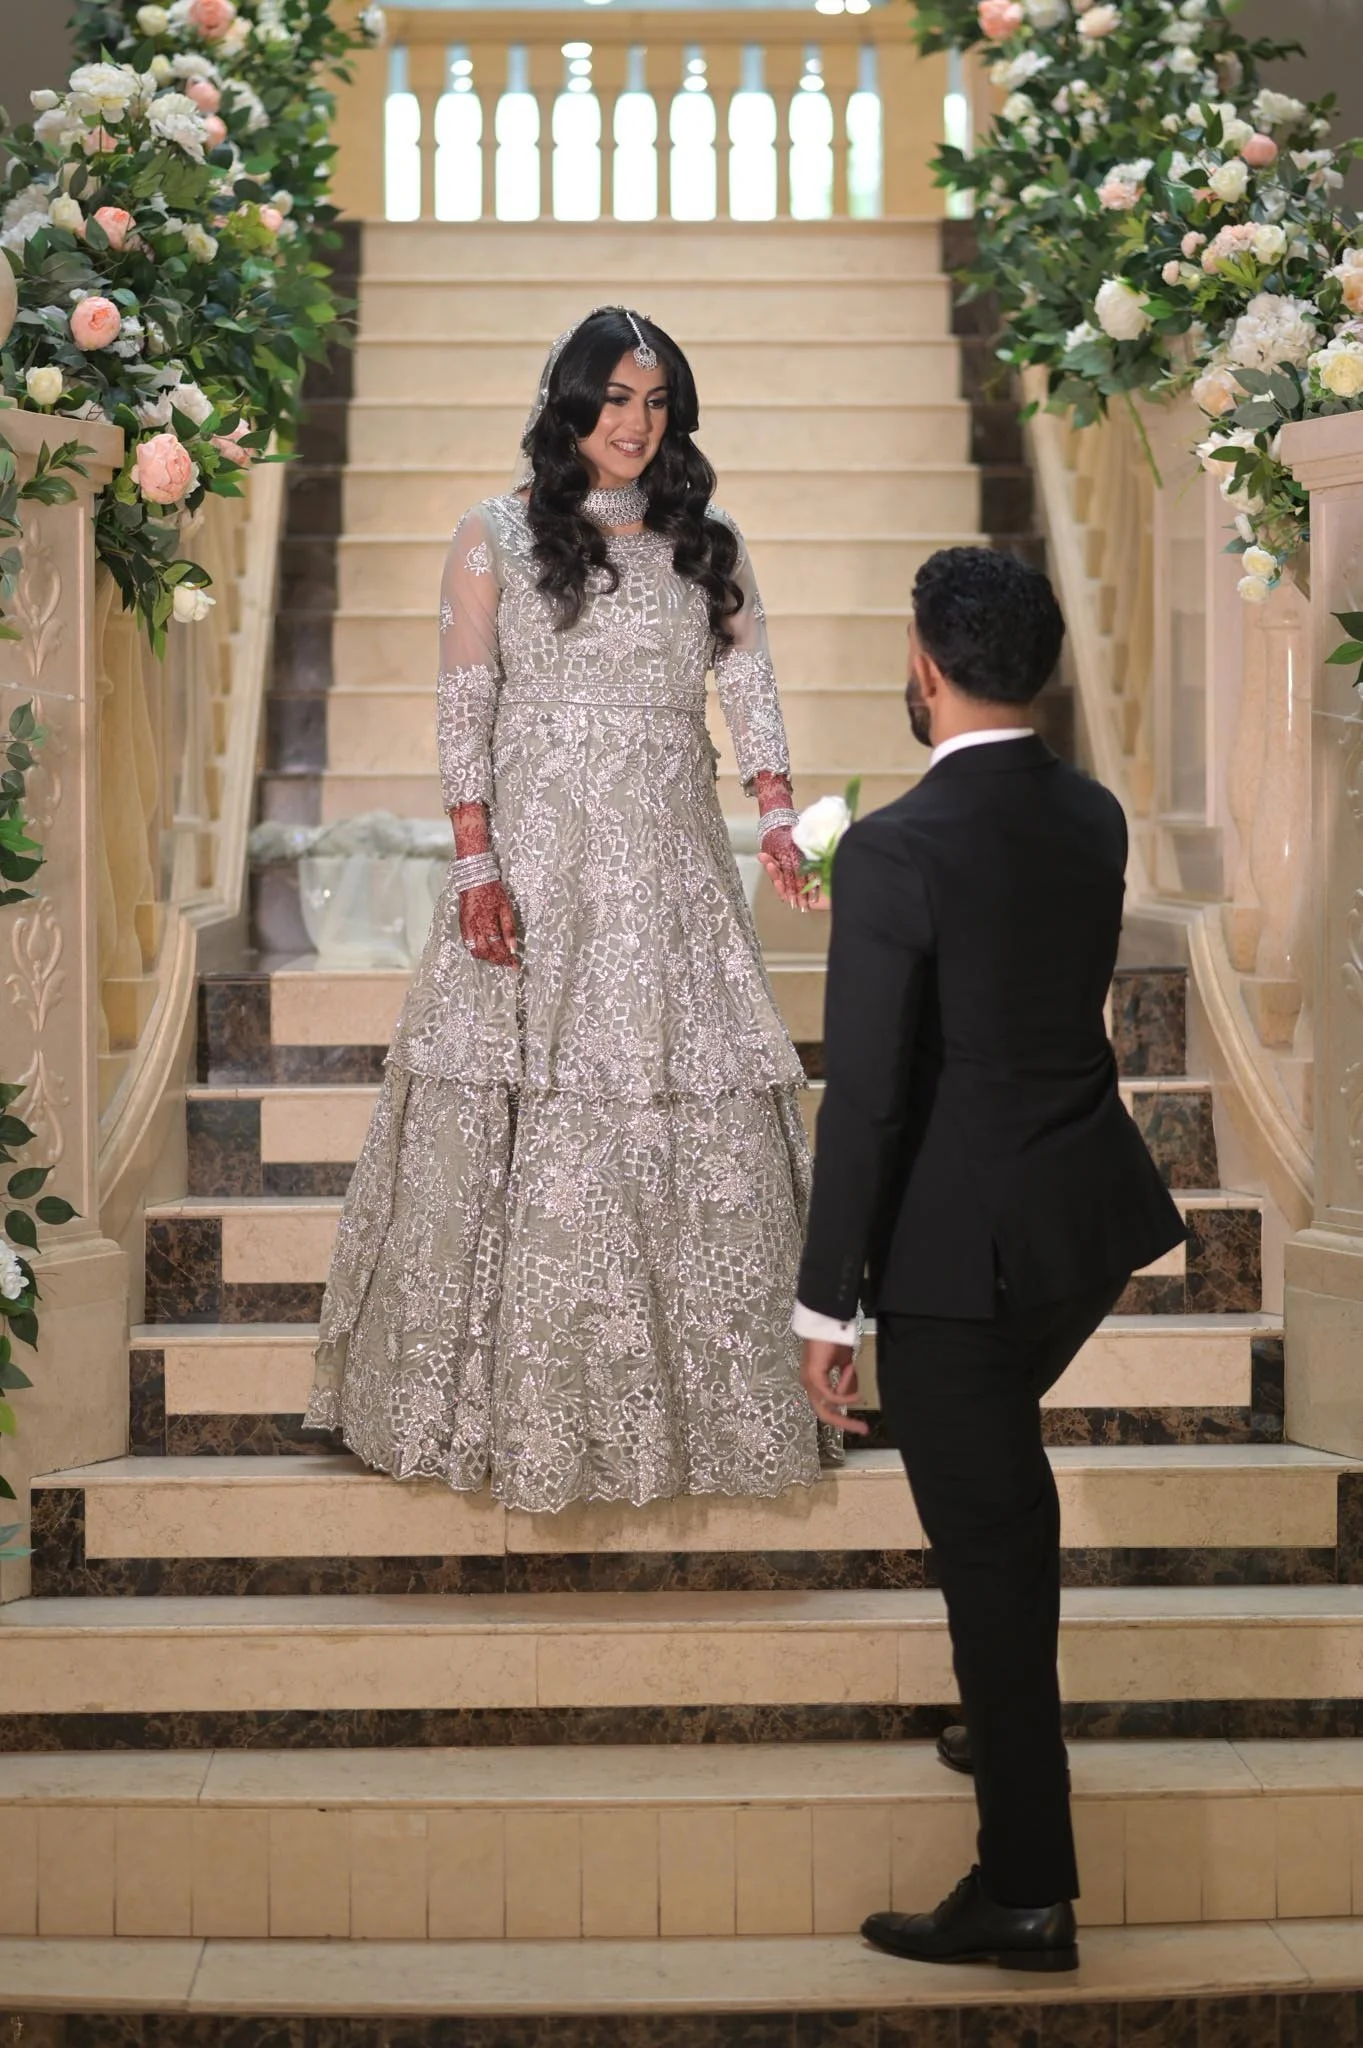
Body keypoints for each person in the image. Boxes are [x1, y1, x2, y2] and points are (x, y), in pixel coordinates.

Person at [305, 306, 832, 1515]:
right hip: (537, 863)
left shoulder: (709, 542)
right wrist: (477, 864)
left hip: (667, 863)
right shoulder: (493, 535)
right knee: (518, 1092)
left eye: (655, 404)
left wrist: (777, 810)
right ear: (570, 407)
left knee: (683, 1091)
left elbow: (748, 684)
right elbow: (462, 705)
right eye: (613, 401)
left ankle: (707, 1404)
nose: (634, 425)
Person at [782, 547, 1185, 1972]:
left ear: (926, 665)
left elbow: (872, 1094)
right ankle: (993, 1713)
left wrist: (825, 1306)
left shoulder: (896, 849)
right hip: (1081, 1228)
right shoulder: (1091, 815)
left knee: (991, 1550)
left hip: (963, 1263)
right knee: (999, 1502)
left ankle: (1022, 1887)